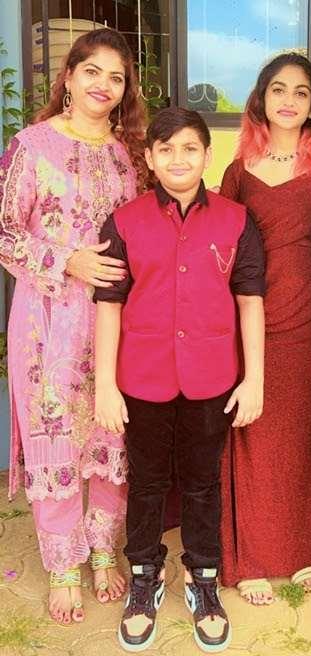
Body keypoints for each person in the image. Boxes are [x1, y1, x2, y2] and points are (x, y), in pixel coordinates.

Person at [93, 106, 265, 653]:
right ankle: (144, 577)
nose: (178, 159)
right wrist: (104, 386)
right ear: (149, 158)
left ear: (207, 155)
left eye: (190, 148)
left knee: (201, 482)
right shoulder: (124, 221)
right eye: (165, 149)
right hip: (140, 379)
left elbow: (250, 302)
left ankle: (203, 577)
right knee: (146, 482)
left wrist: (254, 379)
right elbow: (109, 305)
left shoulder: (236, 220)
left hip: (212, 380)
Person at [0, 28, 146, 625]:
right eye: (93, 72)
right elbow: (4, 231)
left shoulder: (129, 152)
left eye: (116, 77)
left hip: (118, 320)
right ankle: (64, 564)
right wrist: (66, 261)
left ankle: (104, 548)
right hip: (47, 322)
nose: (103, 86)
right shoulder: (31, 145)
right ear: (69, 75)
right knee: (55, 433)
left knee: (112, 431)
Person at [219, 53, 311, 605]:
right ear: (261, 99)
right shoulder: (239, 170)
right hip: (251, 313)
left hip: (308, 313)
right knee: (252, 425)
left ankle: (303, 549)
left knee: (304, 429)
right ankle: (252, 558)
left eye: (301, 92)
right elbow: (220, 246)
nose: (289, 100)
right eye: (279, 90)